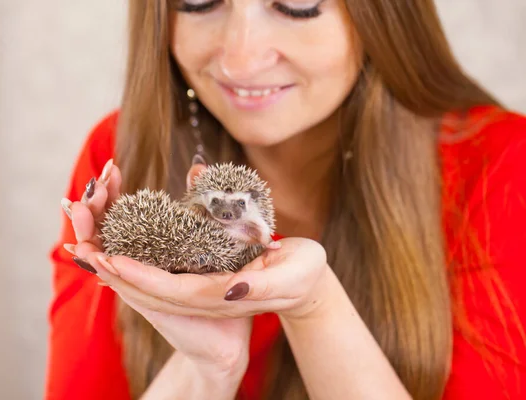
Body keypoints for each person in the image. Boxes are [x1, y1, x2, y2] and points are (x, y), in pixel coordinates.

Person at [45, 1, 526, 399]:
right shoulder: (120, 155)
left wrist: (313, 306)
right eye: (198, 0)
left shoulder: (504, 167)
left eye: (296, 4)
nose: (238, 59)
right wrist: (208, 368)